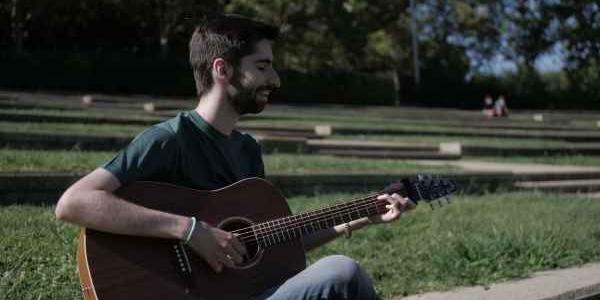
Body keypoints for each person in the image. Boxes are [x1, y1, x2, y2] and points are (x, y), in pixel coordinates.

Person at [55, 14, 415, 300]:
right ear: (222, 69)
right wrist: (189, 230)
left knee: (336, 276)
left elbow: (274, 244)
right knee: (342, 272)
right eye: (262, 66)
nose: (274, 79)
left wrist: (362, 216)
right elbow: (73, 203)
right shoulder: (168, 140)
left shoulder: (247, 150)